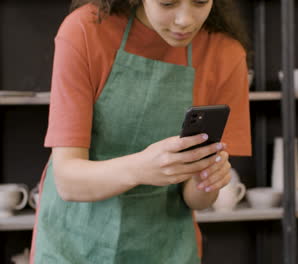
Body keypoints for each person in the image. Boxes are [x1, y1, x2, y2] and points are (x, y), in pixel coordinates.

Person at [30, 0, 251, 263]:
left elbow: (197, 201)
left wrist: (209, 178)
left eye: (200, 2)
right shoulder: (86, 30)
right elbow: (67, 180)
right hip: (73, 247)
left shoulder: (225, 54)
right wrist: (142, 168)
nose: (185, 20)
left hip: (165, 248)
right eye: (167, 3)